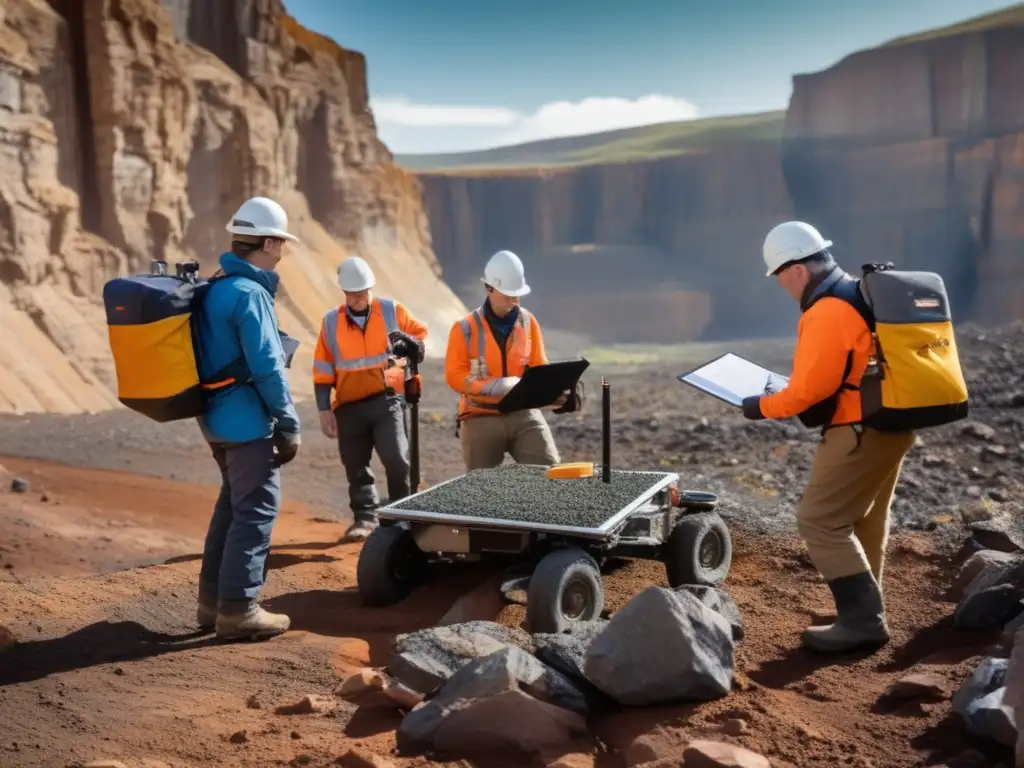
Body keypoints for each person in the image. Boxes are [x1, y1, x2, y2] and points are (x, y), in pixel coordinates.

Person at [740, 221, 916, 654]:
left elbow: (808, 393)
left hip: (858, 431)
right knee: (866, 519)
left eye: (779, 276)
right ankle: (867, 610)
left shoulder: (827, 310)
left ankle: (862, 622)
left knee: (819, 521)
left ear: (795, 269)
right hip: (893, 424)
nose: (782, 285)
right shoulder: (860, 291)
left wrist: (759, 406)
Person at [194, 196, 302, 641]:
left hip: (214, 419)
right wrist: (289, 421)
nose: (283, 251)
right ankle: (239, 609)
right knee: (256, 508)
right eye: (282, 242)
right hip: (244, 422)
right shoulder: (251, 293)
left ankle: (212, 603)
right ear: (270, 242)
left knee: (231, 505)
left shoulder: (216, 286)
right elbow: (267, 366)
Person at [313, 256, 427, 542]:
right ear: (344, 293)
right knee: (356, 465)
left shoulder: (391, 311)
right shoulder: (330, 323)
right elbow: (323, 368)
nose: (358, 298)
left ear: (370, 288)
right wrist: (324, 409)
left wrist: (412, 345)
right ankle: (365, 518)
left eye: (363, 292)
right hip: (348, 406)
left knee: (397, 458)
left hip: (386, 400)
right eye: (352, 293)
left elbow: (419, 335)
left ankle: (402, 515)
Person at [444, 249, 576, 470]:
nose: (515, 300)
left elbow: (539, 366)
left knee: (551, 475)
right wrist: (491, 387)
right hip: (480, 414)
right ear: (489, 289)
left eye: (518, 294)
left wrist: (555, 393)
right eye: (508, 294)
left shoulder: (528, 322)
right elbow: (454, 376)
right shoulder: (464, 329)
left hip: (523, 413)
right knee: (480, 489)